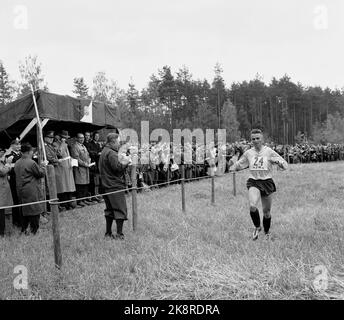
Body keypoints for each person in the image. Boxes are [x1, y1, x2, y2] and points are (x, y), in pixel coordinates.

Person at [228, 129, 288, 240]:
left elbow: (284, 164)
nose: (255, 141)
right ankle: (257, 227)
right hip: (254, 181)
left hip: (267, 182)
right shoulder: (248, 153)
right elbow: (240, 164)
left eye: (257, 138)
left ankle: (267, 232)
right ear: (251, 140)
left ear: (262, 139)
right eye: (253, 139)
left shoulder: (269, 151)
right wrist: (232, 167)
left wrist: (280, 163)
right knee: (252, 206)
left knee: (266, 212)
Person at [99, 133, 131, 240]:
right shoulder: (111, 153)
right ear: (113, 141)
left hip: (106, 184)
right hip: (114, 185)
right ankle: (119, 234)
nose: (119, 144)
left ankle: (108, 233)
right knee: (119, 210)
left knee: (109, 210)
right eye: (118, 141)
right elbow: (117, 168)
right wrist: (127, 161)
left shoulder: (104, 151)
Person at [14, 143, 47, 235]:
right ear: (29, 152)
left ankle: (24, 229)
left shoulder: (17, 162)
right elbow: (40, 174)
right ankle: (34, 230)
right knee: (34, 209)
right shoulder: (31, 162)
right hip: (31, 189)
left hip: (20, 189)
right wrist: (43, 166)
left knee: (24, 210)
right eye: (32, 151)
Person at [53, 130, 76, 210]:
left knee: (69, 186)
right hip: (61, 168)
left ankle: (70, 202)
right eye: (64, 138)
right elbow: (59, 153)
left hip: (68, 167)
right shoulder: (56, 144)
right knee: (63, 186)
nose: (65, 139)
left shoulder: (65, 144)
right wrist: (62, 144)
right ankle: (64, 204)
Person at [70, 133, 92, 207]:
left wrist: (89, 160)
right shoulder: (75, 147)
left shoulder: (83, 146)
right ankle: (79, 200)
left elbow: (88, 155)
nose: (82, 139)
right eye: (80, 138)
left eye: (83, 138)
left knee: (85, 184)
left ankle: (84, 199)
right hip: (80, 168)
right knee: (80, 185)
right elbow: (76, 158)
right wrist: (84, 164)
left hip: (86, 168)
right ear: (76, 138)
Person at [5, 139, 22, 228]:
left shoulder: (22, 155)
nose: (19, 146)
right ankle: (16, 220)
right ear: (12, 145)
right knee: (15, 199)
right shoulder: (8, 156)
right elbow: (9, 169)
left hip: (22, 179)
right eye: (16, 144)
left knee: (22, 198)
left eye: (19, 144)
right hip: (14, 179)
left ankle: (23, 218)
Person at [0, 147, 13, 237]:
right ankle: (2, 232)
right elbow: (2, 172)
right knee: (2, 210)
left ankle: (5, 231)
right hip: (1, 189)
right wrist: (8, 164)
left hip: (3, 187)